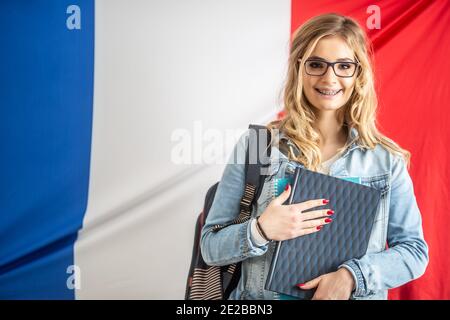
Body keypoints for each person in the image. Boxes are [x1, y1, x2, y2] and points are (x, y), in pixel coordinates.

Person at [200, 13, 428, 300]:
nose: (329, 78)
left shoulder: (385, 160)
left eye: (344, 66)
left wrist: (351, 277)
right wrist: (260, 230)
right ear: (299, 68)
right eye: (316, 64)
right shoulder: (257, 146)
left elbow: (414, 250)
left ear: (358, 74)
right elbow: (210, 247)